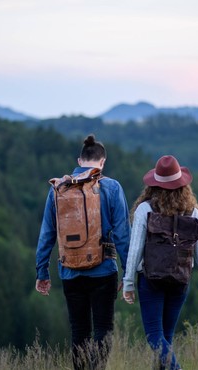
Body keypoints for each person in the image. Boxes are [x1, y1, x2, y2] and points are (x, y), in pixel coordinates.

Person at [35, 134, 131, 370]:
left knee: (79, 331)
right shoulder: (111, 186)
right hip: (104, 270)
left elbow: (47, 232)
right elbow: (122, 234)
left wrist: (42, 271)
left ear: (79, 160)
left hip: (70, 271)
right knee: (103, 330)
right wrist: (129, 272)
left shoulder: (58, 188)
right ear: (103, 162)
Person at [122, 155, 198, 370]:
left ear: (154, 185)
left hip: (151, 281)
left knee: (154, 336)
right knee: (165, 336)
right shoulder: (193, 213)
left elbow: (135, 250)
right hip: (180, 280)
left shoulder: (145, 210)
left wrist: (129, 282)